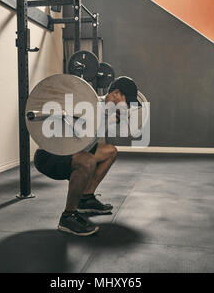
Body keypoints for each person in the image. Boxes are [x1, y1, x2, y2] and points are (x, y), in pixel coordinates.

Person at [34, 77, 140, 236]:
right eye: (127, 102)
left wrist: (113, 120)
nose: (127, 107)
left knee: (110, 151)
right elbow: (73, 134)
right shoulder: (87, 103)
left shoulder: (108, 110)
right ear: (116, 94)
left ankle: (85, 198)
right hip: (51, 156)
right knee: (88, 161)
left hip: (76, 151)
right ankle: (67, 217)